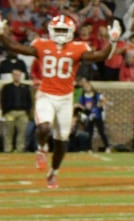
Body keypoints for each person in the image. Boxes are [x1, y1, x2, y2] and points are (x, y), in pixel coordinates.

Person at [0, 14, 116, 188]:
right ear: (51, 31)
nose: (60, 33)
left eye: (64, 30)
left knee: (62, 141)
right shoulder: (41, 44)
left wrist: (113, 42)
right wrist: (1, 34)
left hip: (66, 99)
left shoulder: (78, 48)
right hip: (46, 95)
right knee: (44, 127)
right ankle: (41, 148)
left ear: (71, 32)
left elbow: (101, 56)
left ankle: (53, 173)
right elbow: (14, 46)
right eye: (58, 30)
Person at [2, 66, 31, 153]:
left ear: (21, 76)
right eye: (15, 75)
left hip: (22, 112)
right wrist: (5, 112)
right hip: (10, 112)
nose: (16, 77)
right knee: (8, 132)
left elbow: (29, 100)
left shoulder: (25, 87)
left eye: (18, 75)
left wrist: (27, 111)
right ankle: (7, 149)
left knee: (22, 132)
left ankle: (20, 149)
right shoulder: (7, 87)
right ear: (12, 76)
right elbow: (3, 100)